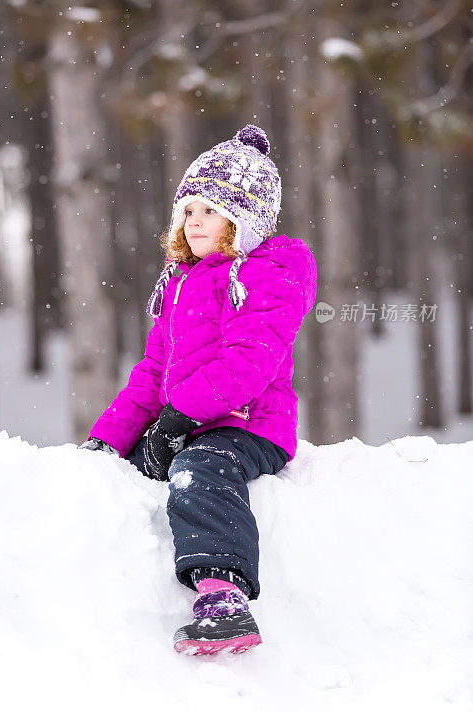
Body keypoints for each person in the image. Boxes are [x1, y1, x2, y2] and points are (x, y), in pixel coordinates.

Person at [80, 123, 317, 656]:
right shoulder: (182, 281)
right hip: (188, 421)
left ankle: (223, 597)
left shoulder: (268, 272)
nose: (194, 222)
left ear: (245, 216)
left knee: (199, 469)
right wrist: (109, 442)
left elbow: (250, 362)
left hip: (249, 426)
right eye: (188, 210)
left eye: (210, 209)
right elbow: (151, 372)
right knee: (126, 475)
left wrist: (180, 419)